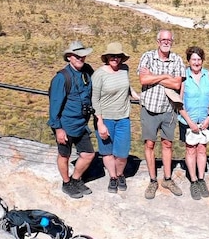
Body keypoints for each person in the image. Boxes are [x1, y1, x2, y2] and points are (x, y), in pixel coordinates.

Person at [138, 29, 186, 199]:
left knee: (167, 144)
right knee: (149, 144)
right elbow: (143, 80)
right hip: (149, 108)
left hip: (168, 110)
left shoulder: (177, 59)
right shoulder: (147, 57)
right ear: (158, 41)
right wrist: (166, 76)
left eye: (169, 40)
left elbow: (177, 84)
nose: (166, 42)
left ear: (172, 42)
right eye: (163, 39)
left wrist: (155, 76)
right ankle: (152, 180)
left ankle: (167, 178)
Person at [48, 40, 96, 199]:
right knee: (64, 155)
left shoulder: (87, 72)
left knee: (88, 154)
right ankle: (66, 182)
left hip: (81, 124)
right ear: (69, 57)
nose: (80, 58)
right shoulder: (62, 78)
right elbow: (55, 105)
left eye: (83, 56)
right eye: (77, 56)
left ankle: (76, 179)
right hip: (66, 125)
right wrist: (58, 129)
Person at [92, 42, 139, 194]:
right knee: (107, 152)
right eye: (112, 56)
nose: (115, 59)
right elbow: (94, 99)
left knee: (122, 153)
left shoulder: (124, 69)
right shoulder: (99, 74)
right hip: (105, 118)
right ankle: (113, 177)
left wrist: (133, 93)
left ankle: (120, 174)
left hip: (123, 117)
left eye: (118, 56)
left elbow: (126, 85)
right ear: (107, 57)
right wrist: (100, 122)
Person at [177, 46, 209, 200]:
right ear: (188, 61)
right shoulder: (184, 76)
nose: (196, 62)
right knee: (190, 149)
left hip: (204, 119)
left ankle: (201, 179)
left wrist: (208, 117)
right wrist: (189, 122)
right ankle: (193, 180)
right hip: (188, 120)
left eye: (199, 59)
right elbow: (179, 102)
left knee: (202, 149)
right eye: (193, 59)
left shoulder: (208, 75)